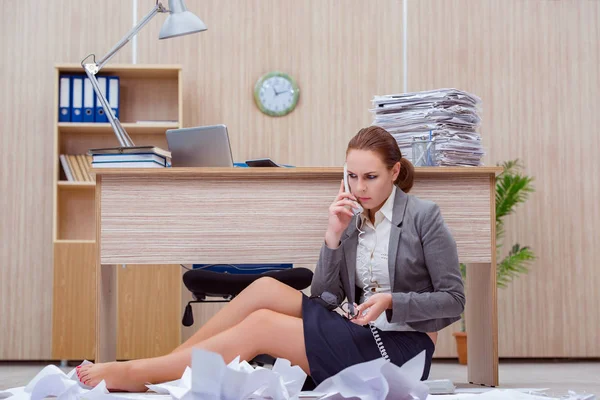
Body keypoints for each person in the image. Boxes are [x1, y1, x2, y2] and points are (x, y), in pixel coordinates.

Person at [77, 126, 465, 391]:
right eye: (351, 176)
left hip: (398, 349)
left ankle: (137, 373)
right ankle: (170, 367)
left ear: (395, 172)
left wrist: (392, 301)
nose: (359, 188)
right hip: (356, 328)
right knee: (264, 288)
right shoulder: (352, 214)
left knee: (262, 326)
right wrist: (333, 236)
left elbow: (453, 300)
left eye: (371, 177)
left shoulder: (422, 216)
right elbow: (327, 298)